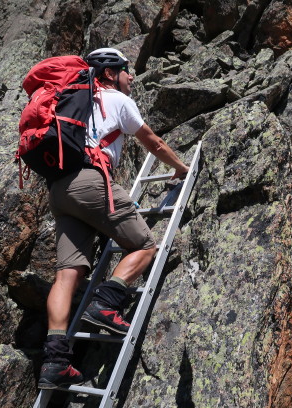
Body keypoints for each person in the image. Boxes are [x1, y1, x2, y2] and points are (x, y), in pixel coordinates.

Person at [38, 48, 189, 389]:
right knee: (144, 245)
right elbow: (153, 141)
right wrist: (181, 168)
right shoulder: (116, 100)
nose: (131, 76)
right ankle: (106, 305)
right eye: (126, 69)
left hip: (59, 190)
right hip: (91, 181)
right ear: (109, 73)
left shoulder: (71, 100)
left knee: (67, 275)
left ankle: (55, 361)